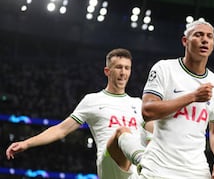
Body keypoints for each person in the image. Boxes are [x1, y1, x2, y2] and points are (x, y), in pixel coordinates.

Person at [6, 48, 148, 179]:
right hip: (110, 165)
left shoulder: (138, 103)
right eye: (118, 67)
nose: (123, 72)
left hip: (136, 173)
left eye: (127, 68)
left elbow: (155, 133)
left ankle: (147, 164)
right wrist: (26, 143)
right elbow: (61, 130)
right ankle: (144, 161)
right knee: (122, 132)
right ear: (107, 71)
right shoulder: (92, 100)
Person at [138, 18, 214, 179]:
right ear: (185, 41)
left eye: (209, 37)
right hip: (158, 169)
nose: (204, 40)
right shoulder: (165, 69)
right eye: (199, 35)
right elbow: (148, 111)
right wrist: (193, 96)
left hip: (197, 172)